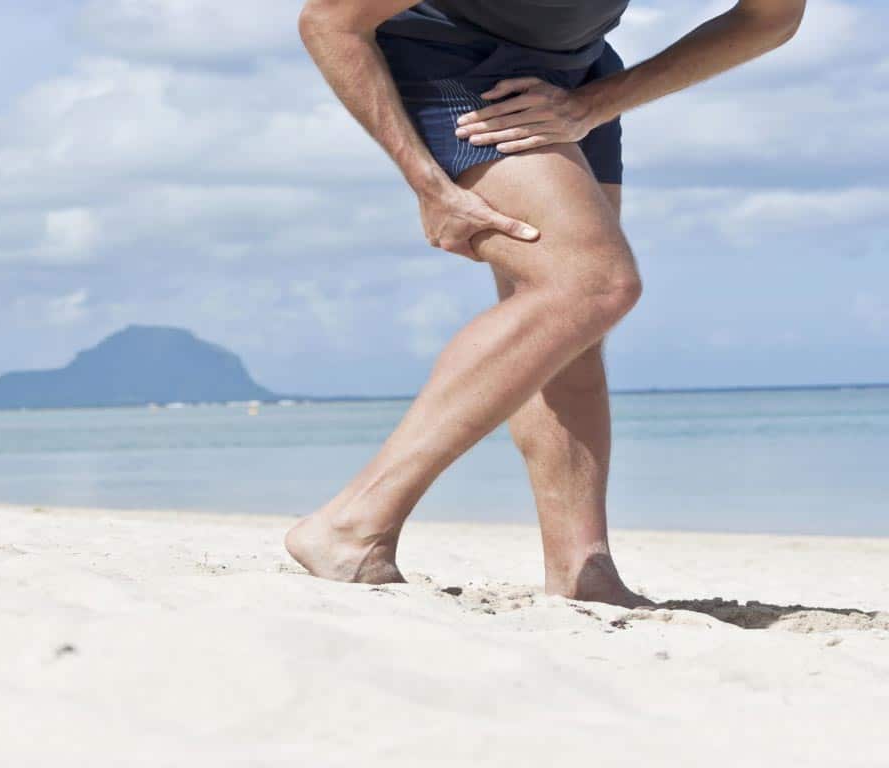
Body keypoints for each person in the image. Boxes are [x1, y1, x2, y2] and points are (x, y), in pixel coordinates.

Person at [285, 0, 806, 606]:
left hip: (575, 73)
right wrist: (427, 183)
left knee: (572, 324)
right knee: (590, 285)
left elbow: (771, 17)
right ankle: (351, 525)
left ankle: (583, 571)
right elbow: (329, 21)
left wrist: (593, 103)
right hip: (446, 57)